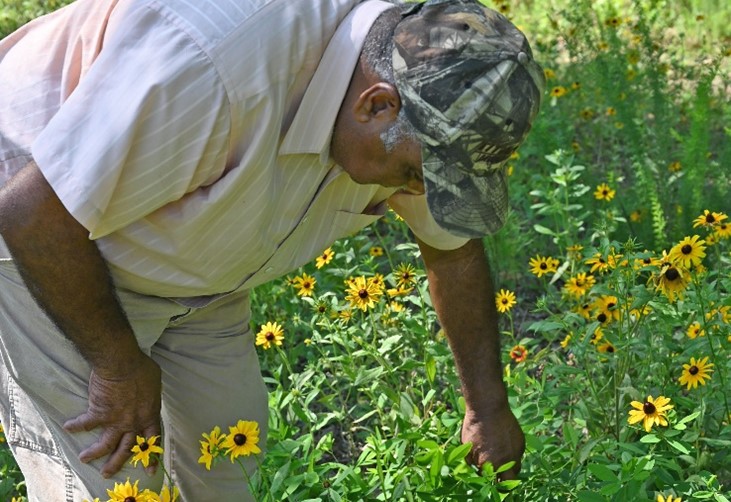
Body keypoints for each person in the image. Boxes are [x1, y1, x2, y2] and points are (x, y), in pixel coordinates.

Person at [0, 0, 544, 499]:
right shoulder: (210, 68)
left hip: (190, 268)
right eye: (414, 174)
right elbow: (31, 213)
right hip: (51, 247)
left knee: (230, 469)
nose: (419, 193)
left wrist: (487, 406)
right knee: (116, 486)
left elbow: (452, 252)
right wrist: (118, 366)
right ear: (375, 105)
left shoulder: (418, 89)